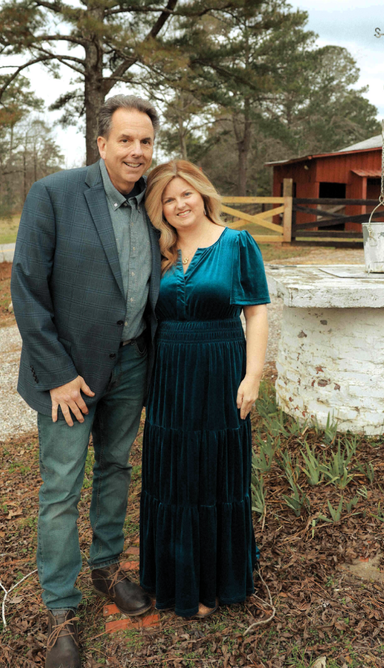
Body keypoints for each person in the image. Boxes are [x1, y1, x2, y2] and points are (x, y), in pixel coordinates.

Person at [11, 94, 161, 668]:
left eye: (145, 141)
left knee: (116, 468)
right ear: (101, 143)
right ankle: (61, 610)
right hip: (68, 378)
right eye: (125, 139)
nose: (136, 151)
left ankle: (107, 569)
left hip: (131, 365)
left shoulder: (153, 201)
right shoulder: (54, 194)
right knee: (60, 490)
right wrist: (55, 376)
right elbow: (27, 289)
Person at [139, 160, 270, 618]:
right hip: (170, 375)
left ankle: (215, 581)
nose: (179, 205)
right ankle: (174, 578)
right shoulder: (157, 248)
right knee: (172, 473)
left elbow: (256, 312)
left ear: (203, 193)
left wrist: (252, 376)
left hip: (221, 368)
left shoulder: (237, 243)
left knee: (214, 470)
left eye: (186, 194)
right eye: (168, 200)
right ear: (159, 208)